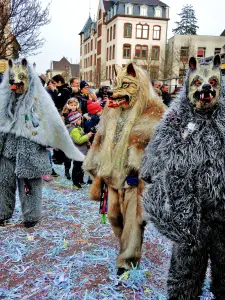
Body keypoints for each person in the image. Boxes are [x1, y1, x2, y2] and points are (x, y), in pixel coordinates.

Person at [141, 55, 225, 299]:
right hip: (190, 217)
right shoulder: (176, 119)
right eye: (198, 82)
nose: (205, 88)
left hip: (222, 212)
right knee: (185, 274)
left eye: (211, 82)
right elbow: (151, 166)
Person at [68, 112, 93, 189]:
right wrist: (87, 136)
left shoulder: (79, 128)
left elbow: (82, 137)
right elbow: (78, 140)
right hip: (78, 152)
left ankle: (80, 180)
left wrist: (87, 142)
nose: (81, 120)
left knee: (81, 167)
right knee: (77, 167)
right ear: (74, 121)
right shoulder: (74, 130)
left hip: (82, 151)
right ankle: (75, 183)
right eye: (79, 119)